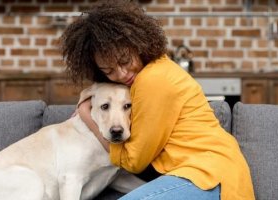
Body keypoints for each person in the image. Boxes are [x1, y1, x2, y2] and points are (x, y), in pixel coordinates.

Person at [60, 0, 255, 199]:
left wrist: (87, 115)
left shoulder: (152, 79)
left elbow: (133, 161)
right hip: (199, 173)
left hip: (207, 175)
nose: (122, 73)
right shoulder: (152, 72)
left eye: (125, 61)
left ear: (137, 44)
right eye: (109, 71)